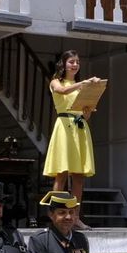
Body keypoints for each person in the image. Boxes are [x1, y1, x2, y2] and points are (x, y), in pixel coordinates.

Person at [42, 50, 96, 217]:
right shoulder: (56, 82)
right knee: (62, 174)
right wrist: (83, 84)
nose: (75, 65)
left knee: (79, 177)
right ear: (63, 64)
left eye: (77, 62)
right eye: (71, 61)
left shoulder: (80, 87)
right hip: (64, 127)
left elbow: (85, 115)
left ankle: (75, 217)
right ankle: (56, 216)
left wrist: (87, 111)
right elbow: (63, 92)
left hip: (79, 128)